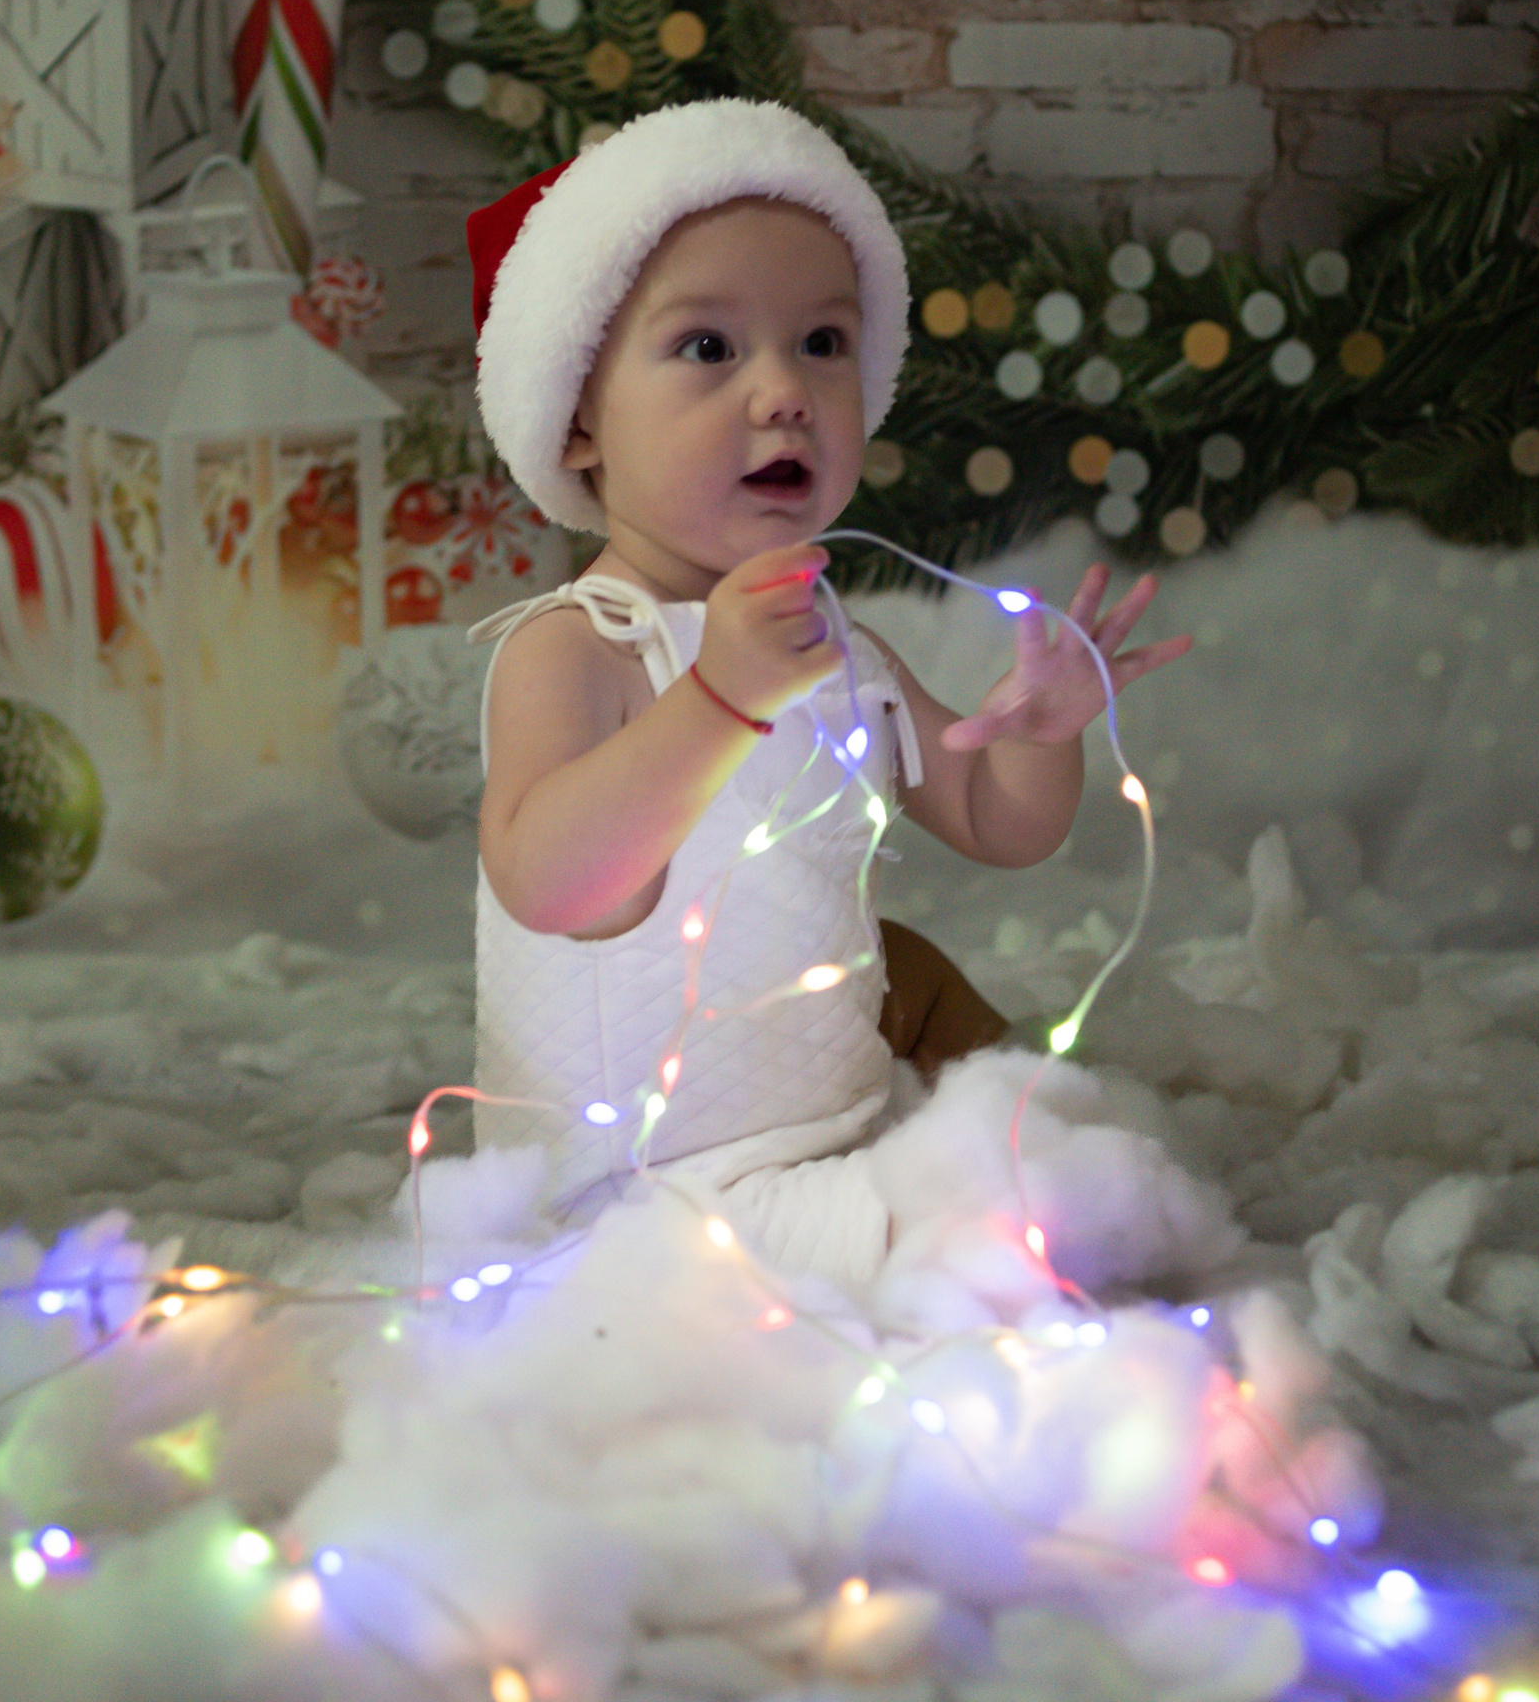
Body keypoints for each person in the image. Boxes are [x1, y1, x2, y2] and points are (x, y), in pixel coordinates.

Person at [465, 97, 1190, 1284]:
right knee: (1013, 1234)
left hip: (823, 1106)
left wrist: (1040, 732)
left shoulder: (834, 641)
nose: (783, 391)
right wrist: (717, 697)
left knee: (907, 969)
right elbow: (553, 883)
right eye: (708, 347)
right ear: (580, 417)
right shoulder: (576, 646)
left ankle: (1000, 1130)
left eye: (822, 342)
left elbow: (998, 825)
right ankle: (986, 1192)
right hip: (656, 1188)